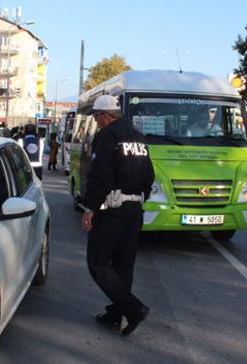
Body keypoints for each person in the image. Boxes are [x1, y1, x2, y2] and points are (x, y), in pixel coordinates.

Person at [79, 95, 154, 336]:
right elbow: (149, 175)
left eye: (96, 116)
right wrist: (139, 199)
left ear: (104, 115)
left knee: (98, 263)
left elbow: (100, 175)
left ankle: (134, 309)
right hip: (134, 211)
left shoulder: (106, 136)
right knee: (124, 266)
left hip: (112, 210)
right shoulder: (139, 137)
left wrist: (90, 208)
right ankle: (115, 315)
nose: (96, 121)